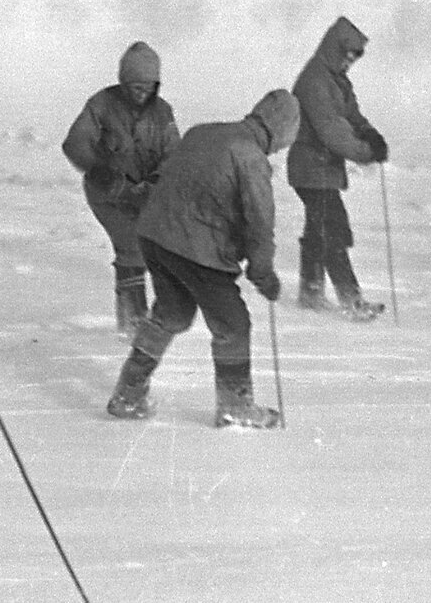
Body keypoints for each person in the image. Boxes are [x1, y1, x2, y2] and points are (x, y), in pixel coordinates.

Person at [105, 89, 299, 429]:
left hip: (155, 236)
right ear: (281, 129)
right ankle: (234, 406)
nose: (282, 148)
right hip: (197, 249)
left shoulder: (203, 132)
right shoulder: (251, 157)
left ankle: (128, 393)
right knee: (233, 325)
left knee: (173, 314)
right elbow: (259, 223)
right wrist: (263, 273)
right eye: (286, 140)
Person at [62, 41, 180, 336]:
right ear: (123, 82)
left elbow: (173, 154)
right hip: (108, 195)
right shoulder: (101, 104)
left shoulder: (163, 112)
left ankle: (143, 320)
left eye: (148, 87)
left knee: (155, 248)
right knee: (131, 246)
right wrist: (100, 170)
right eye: (135, 86)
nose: (141, 93)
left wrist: (156, 181)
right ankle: (132, 325)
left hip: (146, 195)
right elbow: (74, 142)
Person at [287, 16, 389, 322]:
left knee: (321, 230)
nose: (349, 63)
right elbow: (332, 131)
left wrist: (371, 134)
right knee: (332, 230)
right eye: (347, 56)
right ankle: (349, 299)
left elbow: (352, 117)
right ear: (335, 49)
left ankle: (311, 291)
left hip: (322, 170)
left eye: (353, 59)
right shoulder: (316, 80)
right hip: (311, 168)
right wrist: (365, 152)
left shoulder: (337, 81)